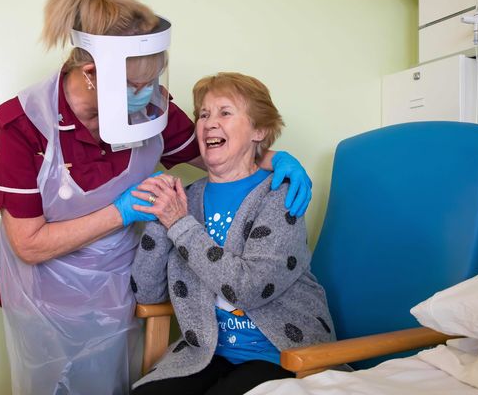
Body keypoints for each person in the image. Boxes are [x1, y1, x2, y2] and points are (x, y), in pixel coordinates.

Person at [0, 0, 313, 395]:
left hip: (119, 292)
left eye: (154, 79)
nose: (149, 94)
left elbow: (215, 153)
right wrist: (122, 211)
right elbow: (28, 244)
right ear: (91, 74)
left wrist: (273, 155)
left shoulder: (150, 110)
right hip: (45, 299)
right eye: (136, 85)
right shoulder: (24, 128)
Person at [129, 72, 336, 395]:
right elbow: (146, 293)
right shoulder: (187, 199)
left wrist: (179, 225)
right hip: (208, 352)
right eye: (204, 114)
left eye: (225, 112)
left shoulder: (280, 196)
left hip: (282, 352)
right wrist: (160, 217)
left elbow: (248, 288)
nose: (209, 123)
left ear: (260, 130)